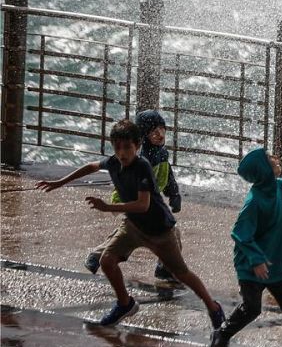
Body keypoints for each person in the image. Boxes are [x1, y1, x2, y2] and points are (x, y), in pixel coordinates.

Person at [36, 118, 226, 329]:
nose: (122, 153)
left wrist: (107, 207)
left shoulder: (142, 166)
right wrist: (59, 182)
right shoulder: (113, 162)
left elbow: (142, 205)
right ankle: (125, 303)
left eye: (127, 147)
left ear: (138, 146)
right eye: (117, 147)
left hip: (160, 231)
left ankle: (213, 307)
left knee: (181, 273)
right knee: (107, 261)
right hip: (133, 227)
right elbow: (91, 166)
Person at [209, 147, 282, 347]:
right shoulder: (254, 201)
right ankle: (222, 334)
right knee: (252, 307)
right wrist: (256, 260)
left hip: (276, 263)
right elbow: (240, 232)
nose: (276, 158)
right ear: (263, 170)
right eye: (269, 158)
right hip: (250, 265)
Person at [84, 110, 182, 283]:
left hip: (148, 202)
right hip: (133, 198)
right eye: (154, 131)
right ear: (144, 135)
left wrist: (174, 194)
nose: (160, 134)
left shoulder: (160, 153)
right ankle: (165, 267)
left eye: (162, 129)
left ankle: (97, 255)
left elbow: (168, 175)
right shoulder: (143, 158)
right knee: (153, 232)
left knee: (130, 230)